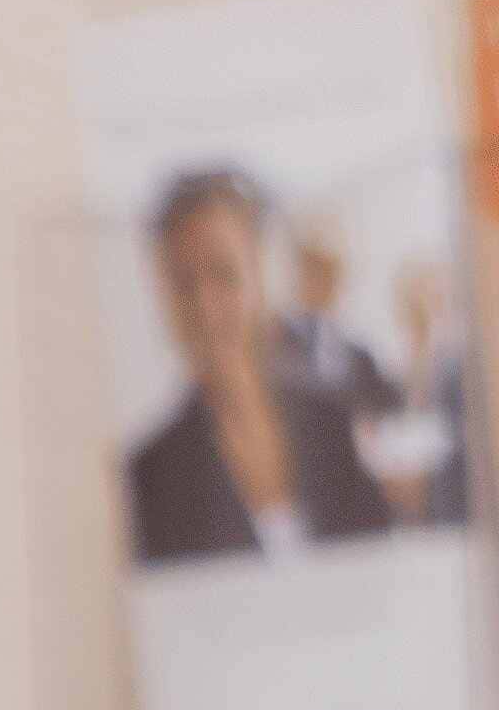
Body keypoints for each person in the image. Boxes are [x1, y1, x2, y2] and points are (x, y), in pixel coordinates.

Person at [119, 160, 406, 563]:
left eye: (224, 274)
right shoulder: (149, 473)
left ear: (260, 274)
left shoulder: (333, 425)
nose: (205, 305)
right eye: (183, 283)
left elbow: (384, 566)